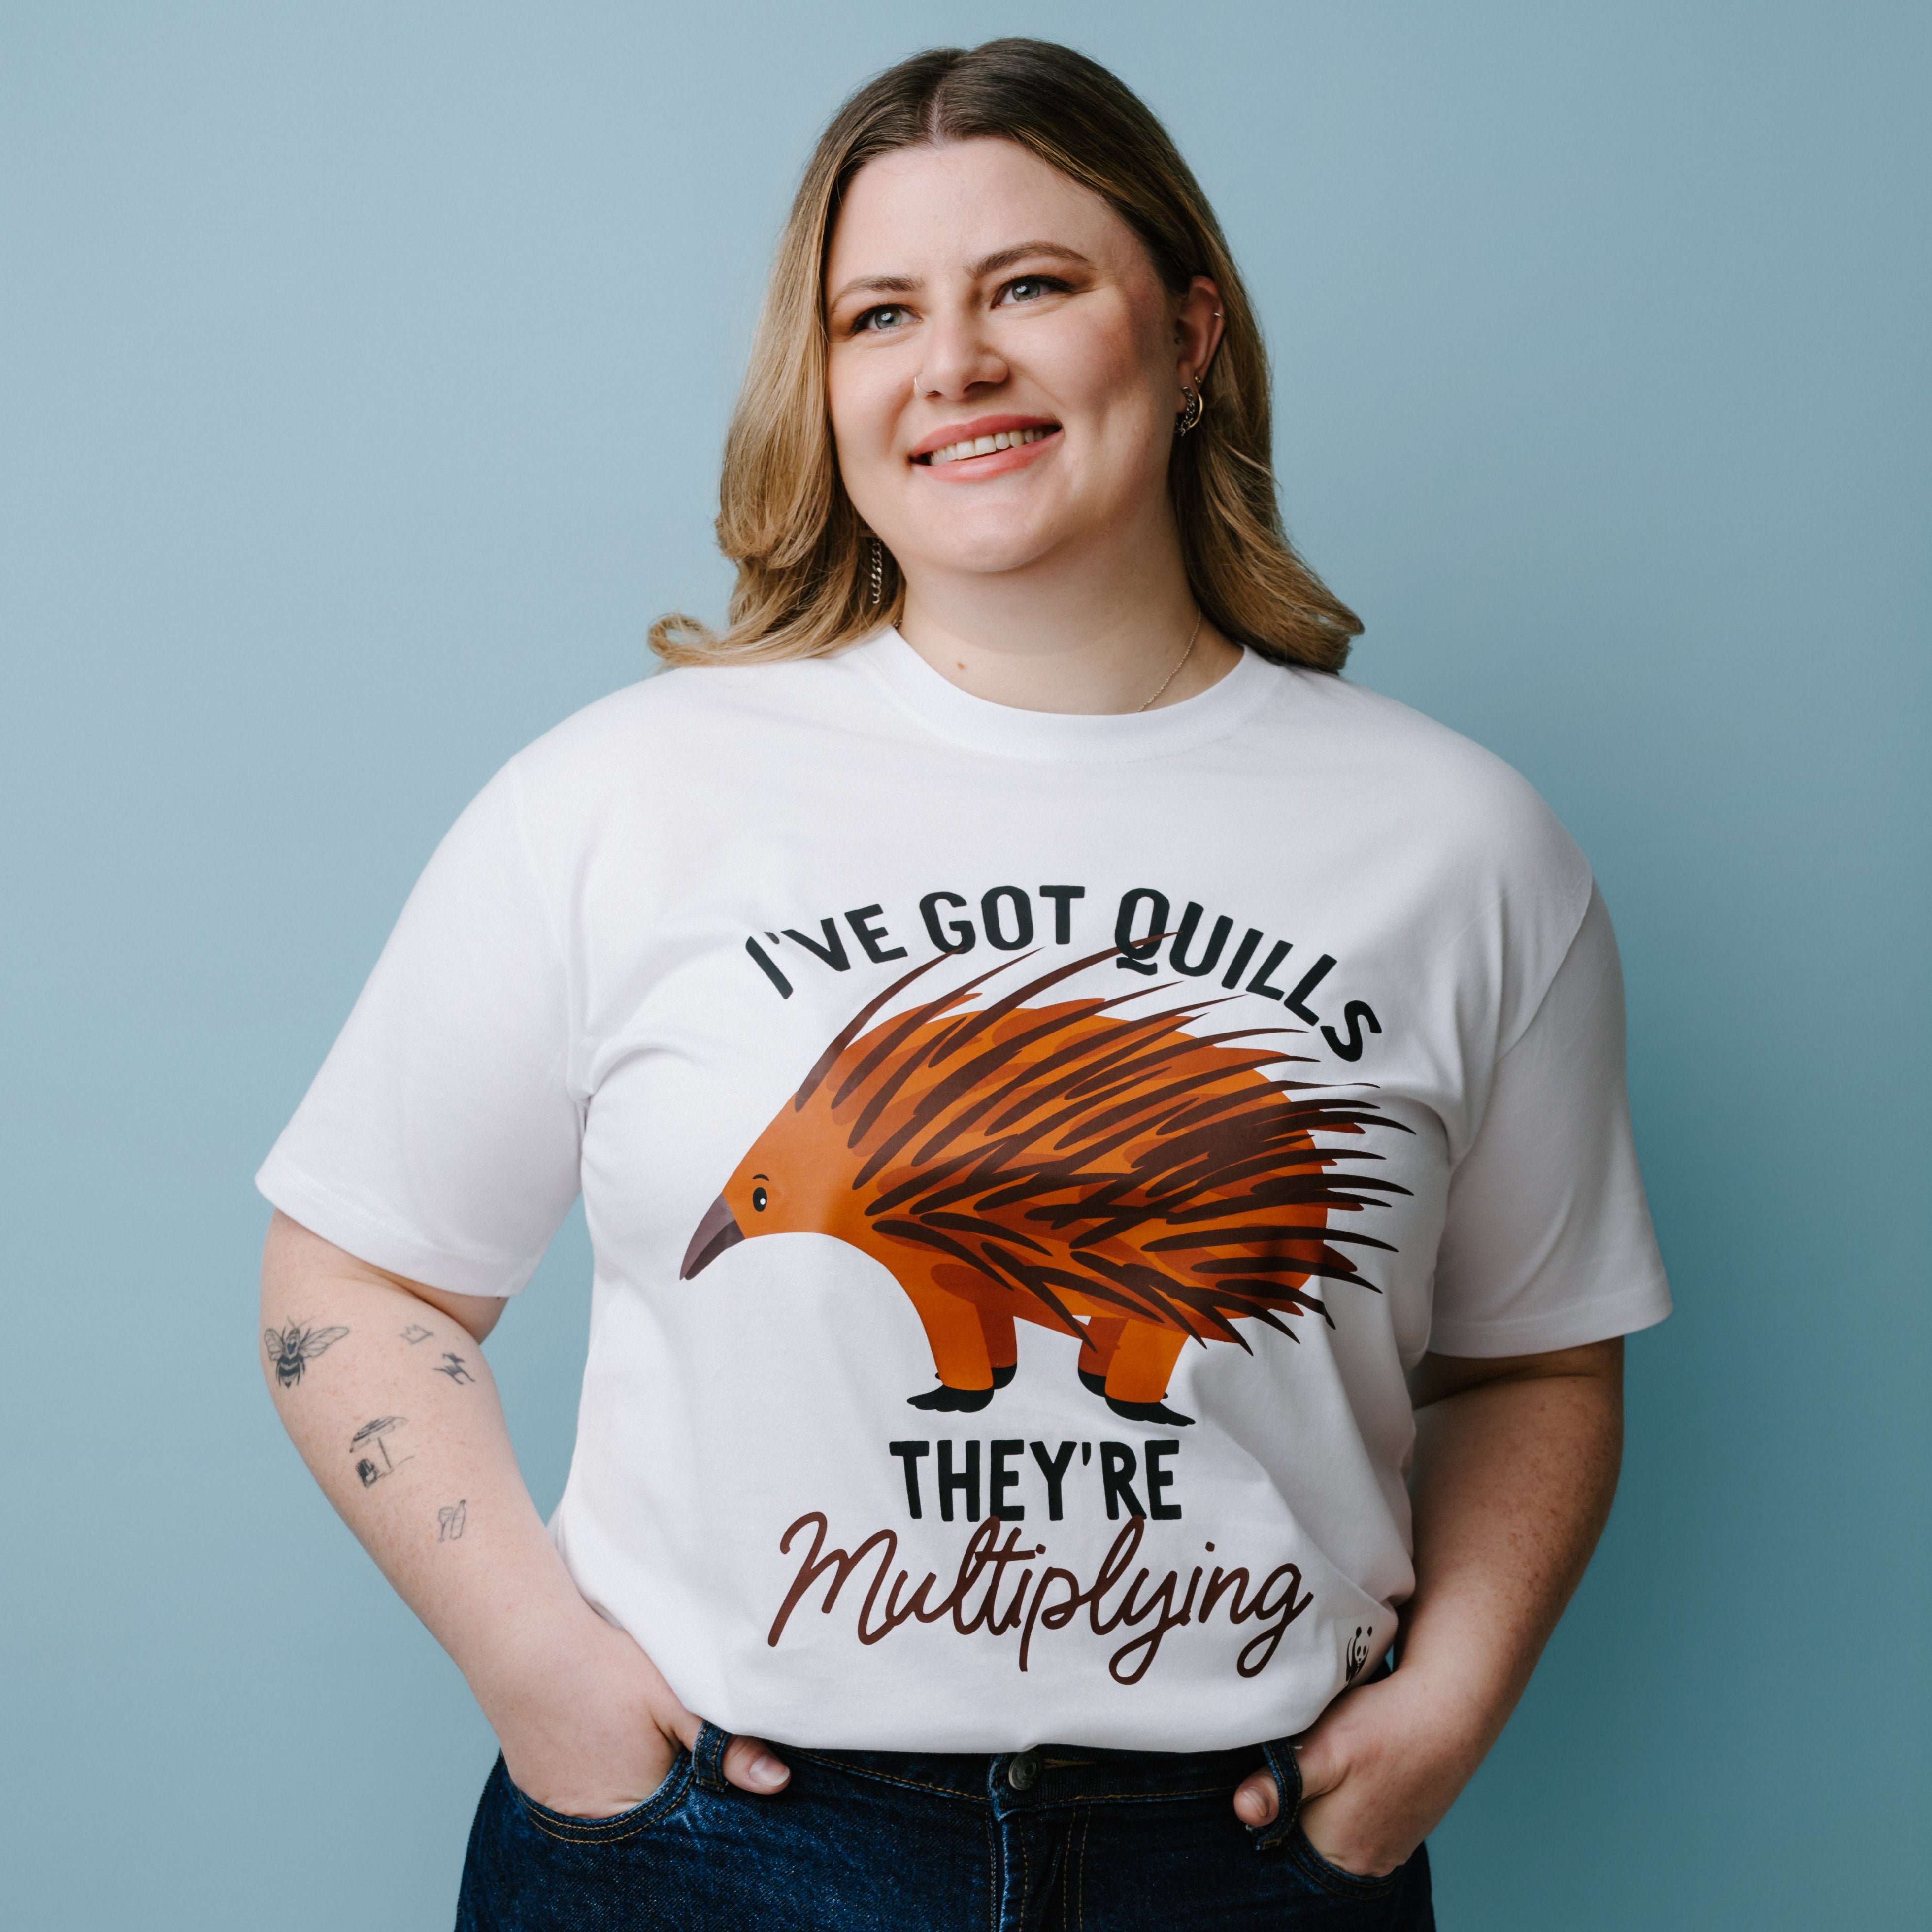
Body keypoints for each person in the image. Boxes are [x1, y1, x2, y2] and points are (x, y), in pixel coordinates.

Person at [257, 38, 1669, 1931]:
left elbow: (1536, 1356)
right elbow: (353, 1271)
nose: (954, 365)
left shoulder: (1462, 844)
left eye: (1029, 285)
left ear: (1187, 334)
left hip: (1244, 1858)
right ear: (821, 382)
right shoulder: (617, 795)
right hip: (708, 1851)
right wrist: (545, 1679)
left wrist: (1449, 1706)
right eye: (878, 314)